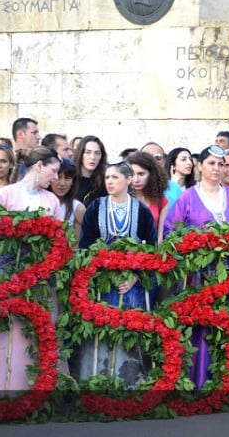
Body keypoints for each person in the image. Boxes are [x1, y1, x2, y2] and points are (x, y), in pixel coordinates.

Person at [0, 147, 66, 393]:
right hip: (8, 274)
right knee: (9, 330)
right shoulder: (6, 195)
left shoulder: (51, 200)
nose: (55, 178)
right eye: (53, 171)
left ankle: (40, 389)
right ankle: (2, 388)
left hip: (41, 276)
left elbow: (59, 240)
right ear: (38, 166)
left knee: (40, 329)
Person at [163, 145, 229, 390]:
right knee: (202, 326)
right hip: (199, 277)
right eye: (212, 163)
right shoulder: (187, 198)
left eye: (221, 164)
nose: (217, 169)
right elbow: (170, 234)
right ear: (200, 165)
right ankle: (199, 380)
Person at [72, 161, 157, 387]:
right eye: (107, 177)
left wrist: (135, 277)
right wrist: (98, 271)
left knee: (128, 334)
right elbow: (85, 245)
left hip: (131, 286)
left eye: (115, 177)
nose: (109, 182)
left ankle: (129, 384)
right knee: (102, 332)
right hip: (102, 284)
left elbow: (152, 249)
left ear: (129, 180)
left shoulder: (141, 210)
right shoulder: (96, 207)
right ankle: (98, 383)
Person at [125, 152, 169, 238]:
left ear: (152, 175)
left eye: (141, 174)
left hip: (151, 249)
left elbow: (160, 237)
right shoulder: (121, 197)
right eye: (132, 174)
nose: (136, 179)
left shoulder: (161, 200)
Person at [48, 158, 86, 243]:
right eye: (58, 177)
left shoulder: (78, 208)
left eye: (67, 178)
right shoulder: (40, 202)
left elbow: (76, 245)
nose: (62, 183)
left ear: (73, 181)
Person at [73, 135, 107, 206]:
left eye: (97, 153)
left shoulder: (105, 182)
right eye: (88, 152)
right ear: (80, 154)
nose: (92, 157)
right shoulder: (70, 178)